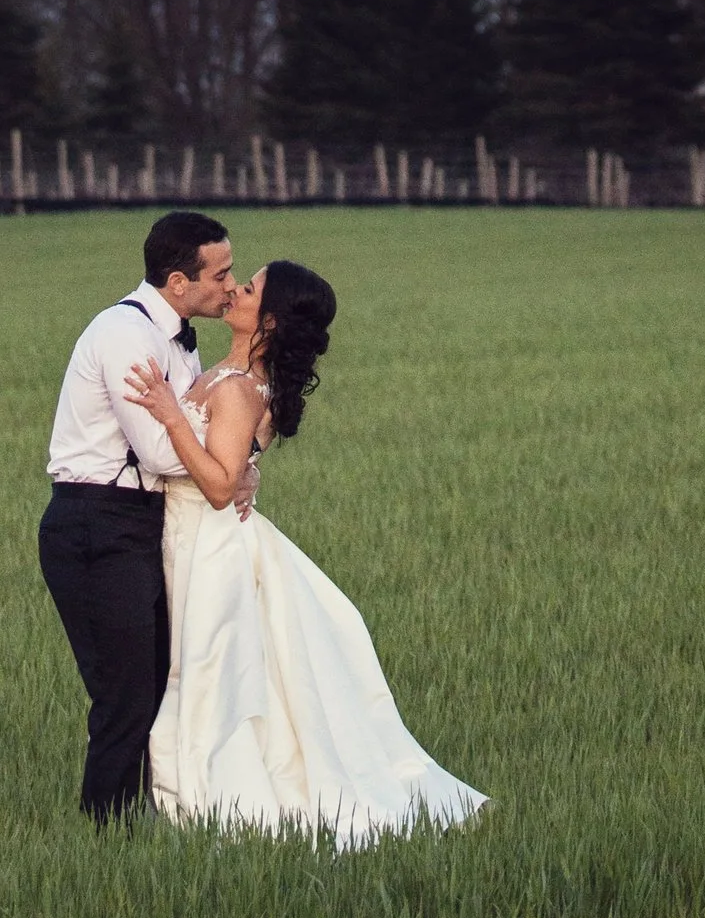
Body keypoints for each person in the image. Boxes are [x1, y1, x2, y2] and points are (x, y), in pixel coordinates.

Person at [124, 257, 486, 845]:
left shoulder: (241, 389)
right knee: (212, 667)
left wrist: (171, 417)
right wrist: (246, 465)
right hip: (192, 537)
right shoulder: (228, 375)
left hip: (212, 545)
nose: (235, 290)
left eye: (250, 288)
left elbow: (218, 488)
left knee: (211, 671)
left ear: (268, 322)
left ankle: (216, 798)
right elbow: (234, 468)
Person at [38, 208, 236, 820]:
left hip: (142, 522)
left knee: (152, 684)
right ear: (179, 282)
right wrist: (223, 468)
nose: (230, 286)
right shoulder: (124, 333)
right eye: (220, 274)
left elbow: (181, 435)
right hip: (97, 521)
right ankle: (107, 835)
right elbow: (156, 447)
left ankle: (142, 819)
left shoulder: (178, 338)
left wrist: (230, 463)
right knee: (124, 695)